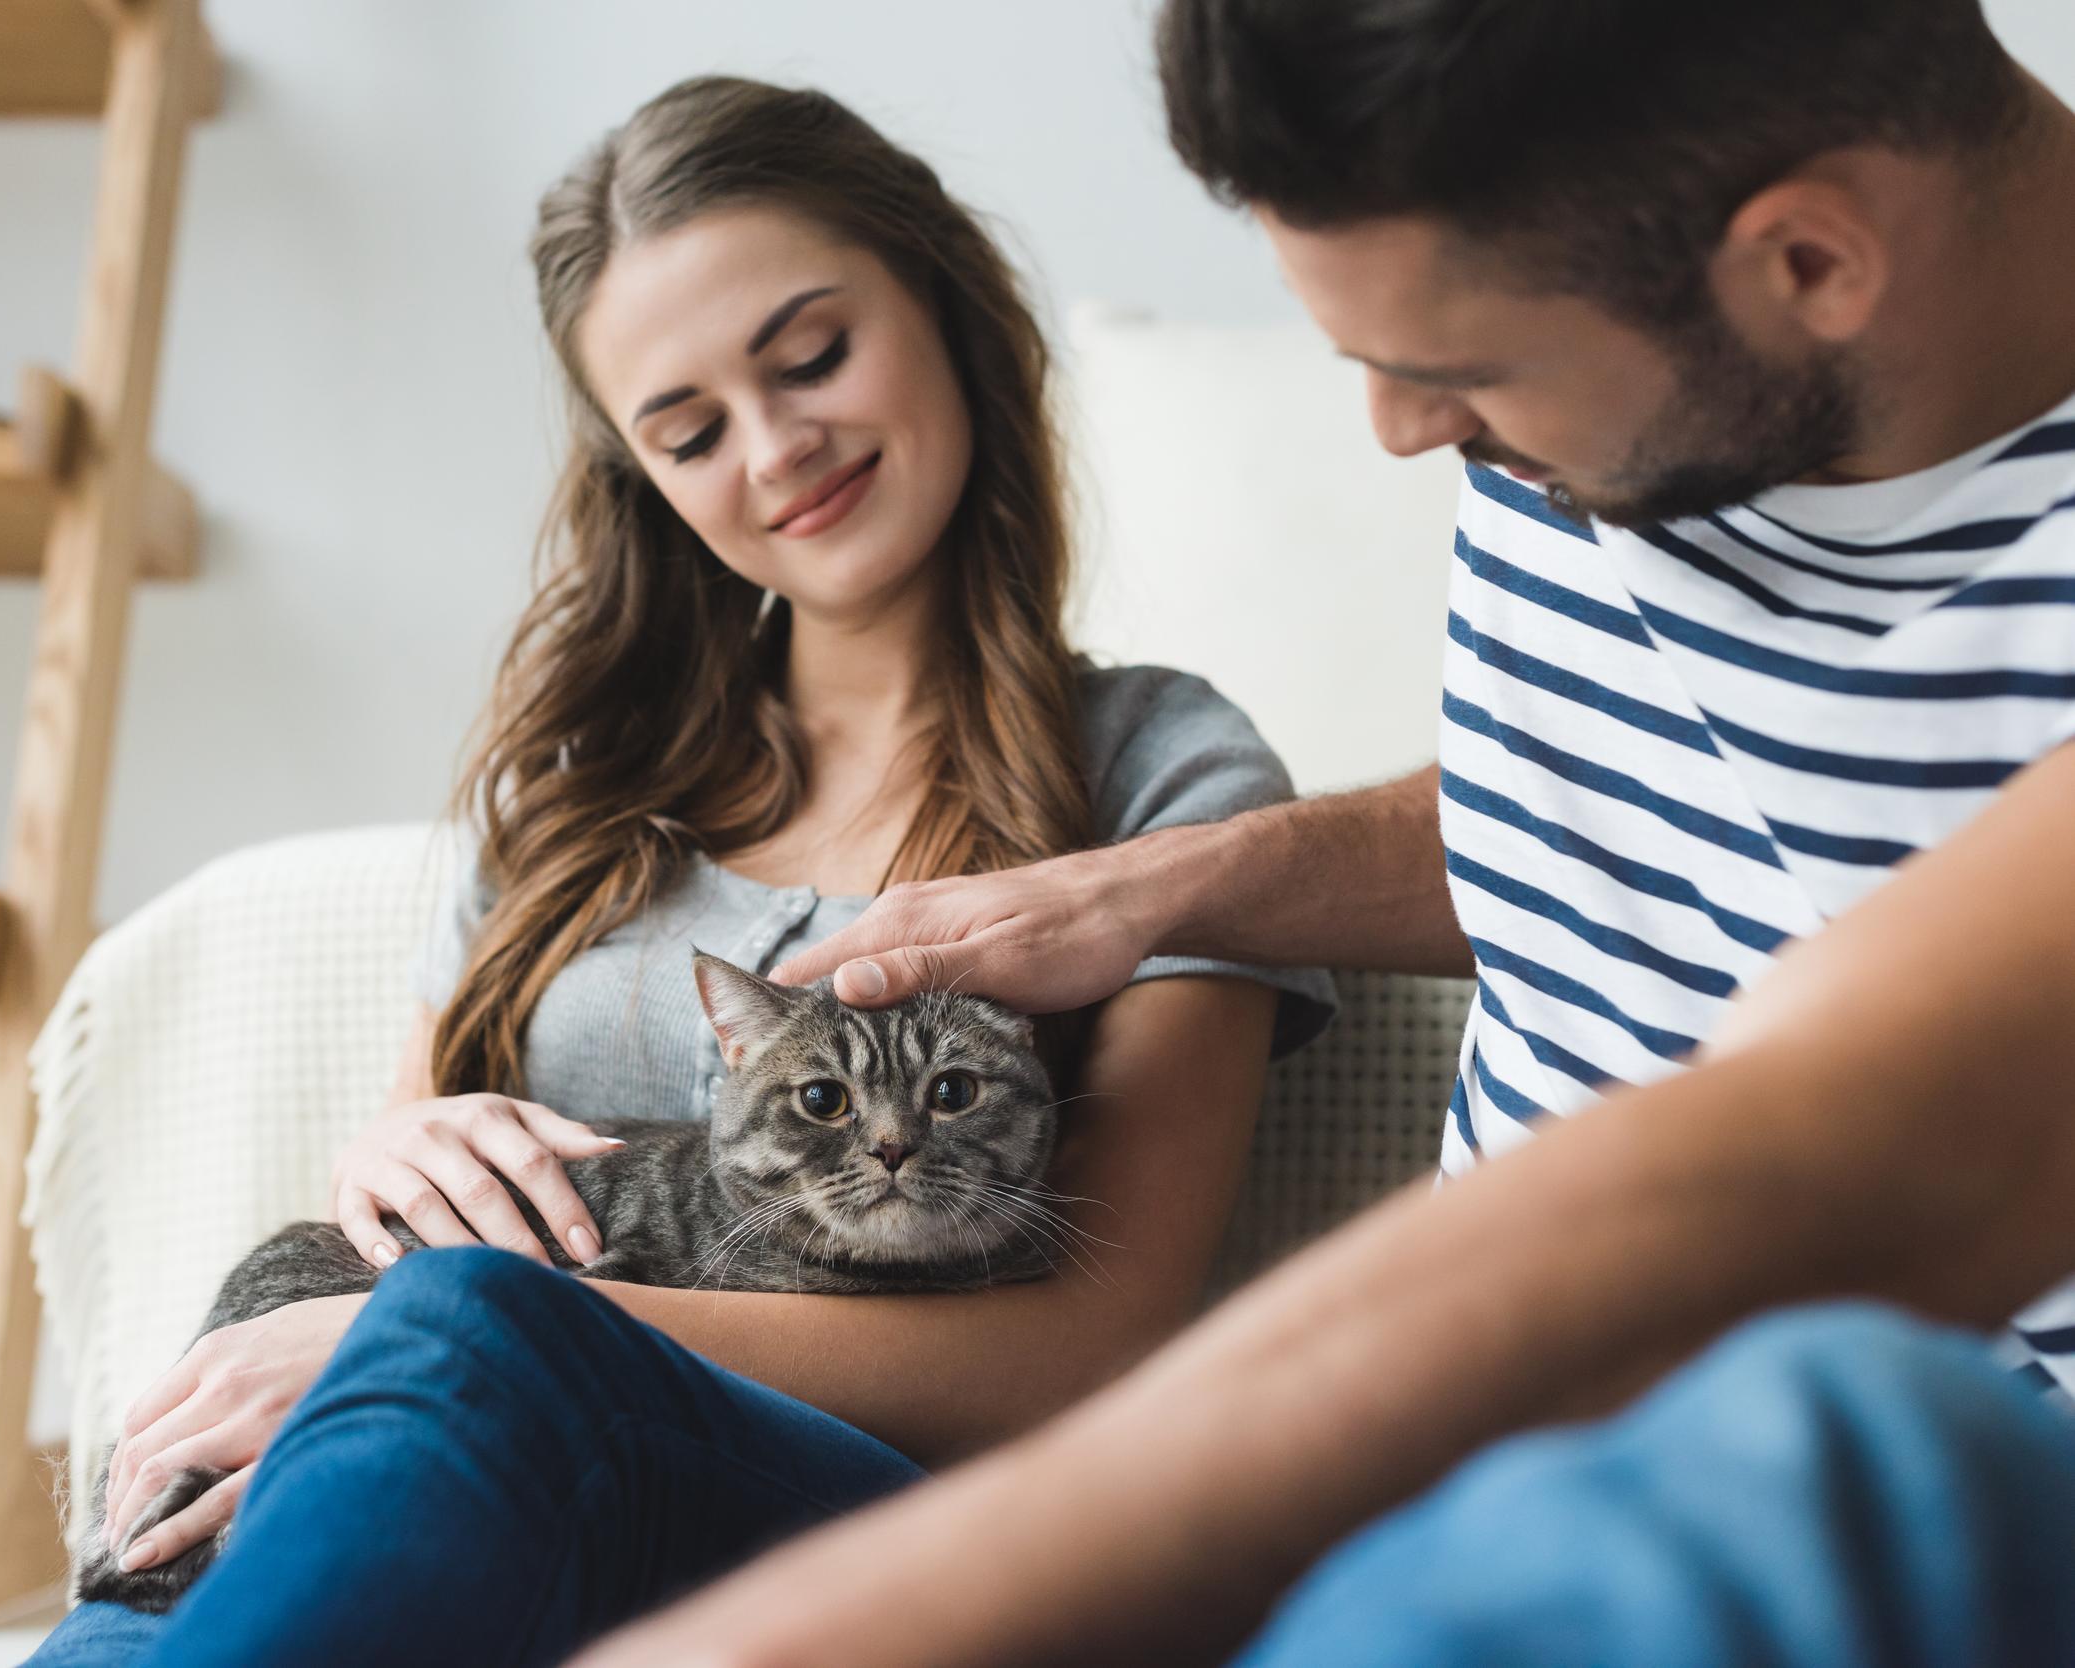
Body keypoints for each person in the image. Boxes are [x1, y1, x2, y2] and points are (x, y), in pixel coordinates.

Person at [576, 2, 2075, 1664]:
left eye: (1452, 375)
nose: (1400, 435)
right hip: (1483, 1518)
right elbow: (1635, 808)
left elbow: (1852, 1158)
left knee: (1846, 1423)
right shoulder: (1616, 408)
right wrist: (1162, 885)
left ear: (1805, 262)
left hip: (1875, 1508)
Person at [20, 74, 1332, 1668]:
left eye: (811, 357)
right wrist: (401, 1180)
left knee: (462, 1334)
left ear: (942, 304)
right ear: (642, 475)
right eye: (691, 430)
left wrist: (480, 1331)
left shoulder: (1162, 777)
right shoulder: (575, 798)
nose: (778, 450)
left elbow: (1089, 1345)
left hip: (866, 1524)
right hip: (445, 1470)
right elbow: (393, 1174)